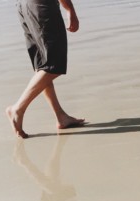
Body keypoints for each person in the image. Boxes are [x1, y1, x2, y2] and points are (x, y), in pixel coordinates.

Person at [6, 0, 85, 138]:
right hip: (41, 5)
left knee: (42, 66)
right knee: (53, 65)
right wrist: (70, 9)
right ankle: (18, 109)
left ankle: (61, 116)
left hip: (24, 6)